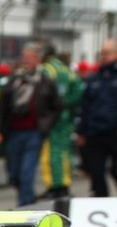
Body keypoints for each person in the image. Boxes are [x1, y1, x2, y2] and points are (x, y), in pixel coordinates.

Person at [0, 43, 61, 207]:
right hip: (14, 132)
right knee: (14, 173)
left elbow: (57, 106)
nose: (27, 61)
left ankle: (24, 206)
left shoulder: (45, 81)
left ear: (38, 60)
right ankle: (29, 198)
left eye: (31, 57)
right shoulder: (14, 80)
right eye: (25, 57)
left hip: (34, 132)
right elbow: (2, 106)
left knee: (26, 173)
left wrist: (46, 124)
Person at [76, 39, 117, 198]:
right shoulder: (94, 79)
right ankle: (101, 202)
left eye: (107, 53)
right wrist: (81, 132)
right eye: (102, 53)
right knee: (96, 172)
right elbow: (85, 106)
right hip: (95, 133)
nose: (103, 56)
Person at [40, 45, 81, 200]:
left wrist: (53, 109)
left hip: (52, 117)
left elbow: (42, 95)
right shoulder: (65, 69)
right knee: (65, 151)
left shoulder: (48, 69)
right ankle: (64, 183)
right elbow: (78, 89)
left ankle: (56, 186)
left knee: (52, 152)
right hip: (65, 116)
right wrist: (67, 105)